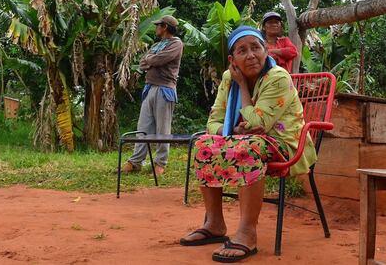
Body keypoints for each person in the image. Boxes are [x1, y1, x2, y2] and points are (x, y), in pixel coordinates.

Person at [179, 26, 317, 263]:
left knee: (248, 146)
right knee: (204, 144)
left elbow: (257, 123)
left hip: (286, 143)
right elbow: (214, 121)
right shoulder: (227, 77)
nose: (251, 54)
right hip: (243, 139)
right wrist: (230, 130)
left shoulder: (278, 77)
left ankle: (247, 232)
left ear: (266, 51)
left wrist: (242, 86)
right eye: (242, 50)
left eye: (256, 47)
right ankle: (214, 223)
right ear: (233, 60)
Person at [121, 15, 183, 175]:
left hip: (165, 89)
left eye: (158, 25)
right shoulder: (157, 45)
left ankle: (160, 163)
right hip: (150, 88)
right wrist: (150, 60)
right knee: (143, 126)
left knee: (163, 128)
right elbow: (143, 63)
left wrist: (150, 60)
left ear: (165, 27)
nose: (156, 28)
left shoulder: (176, 43)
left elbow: (160, 59)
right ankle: (136, 162)